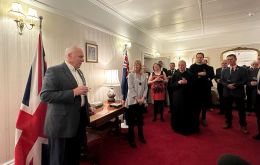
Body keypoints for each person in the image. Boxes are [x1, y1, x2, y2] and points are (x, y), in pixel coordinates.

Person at [40, 46, 90, 165]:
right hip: (61, 125)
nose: (83, 60)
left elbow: (81, 94)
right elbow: (45, 95)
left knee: (74, 156)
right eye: (80, 56)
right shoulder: (54, 71)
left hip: (78, 122)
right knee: (60, 159)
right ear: (69, 56)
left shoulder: (80, 72)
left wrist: (87, 106)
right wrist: (73, 92)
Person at [220, 54, 248, 134]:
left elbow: (245, 80)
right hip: (227, 93)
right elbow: (221, 80)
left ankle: (243, 125)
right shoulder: (224, 70)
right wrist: (227, 85)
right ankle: (228, 122)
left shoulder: (243, 69)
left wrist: (235, 85)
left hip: (238, 93)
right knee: (227, 110)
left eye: (231, 59)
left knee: (241, 111)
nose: (229, 61)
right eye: (228, 59)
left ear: (235, 59)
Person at [170, 60, 195, 135]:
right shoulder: (175, 74)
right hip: (177, 98)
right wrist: (178, 82)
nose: (181, 66)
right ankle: (176, 127)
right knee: (177, 112)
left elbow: (194, 85)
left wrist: (187, 82)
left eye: (182, 65)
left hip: (187, 97)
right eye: (179, 65)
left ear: (185, 65)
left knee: (186, 112)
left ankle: (186, 128)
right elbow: (171, 86)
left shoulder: (190, 74)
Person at [127, 60, 148, 148]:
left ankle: (141, 136)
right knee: (131, 122)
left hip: (141, 101)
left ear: (140, 66)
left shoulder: (144, 76)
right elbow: (130, 88)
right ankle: (131, 139)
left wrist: (143, 98)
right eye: (135, 65)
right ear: (133, 66)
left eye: (138, 65)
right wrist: (137, 98)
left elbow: (146, 88)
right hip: (132, 101)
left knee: (140, 120)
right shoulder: (131, 75)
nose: (136, 66)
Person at [189, 52, 212, 128]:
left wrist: (205, 74)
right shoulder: (192, 67)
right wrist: (199, 74)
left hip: (204, 89)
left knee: (204, 105)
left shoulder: (207, 66)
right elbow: (190, 76)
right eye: (198, 57)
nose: (199, 58)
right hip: (195, 89)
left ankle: (203, 118)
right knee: (195, 105)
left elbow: (211, 75)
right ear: (196, 58)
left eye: (201, 57)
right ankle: (196, 118)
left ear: (203, 58)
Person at [253, 54, 260, 140]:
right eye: (258, 59)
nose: (259, 60)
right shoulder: (258, 70)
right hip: (258, 96)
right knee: (258, 115)